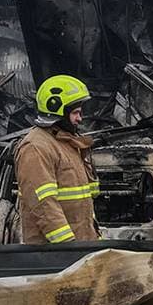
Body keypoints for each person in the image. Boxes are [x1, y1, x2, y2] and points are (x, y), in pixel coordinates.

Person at [15, 74, 99, 245]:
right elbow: (43, 204)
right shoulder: (36, 147)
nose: (80, 119)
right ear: (56, 109)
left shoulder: (67, 144)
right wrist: (66, 245)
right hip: (54, 252)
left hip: (80, 246)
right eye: (75, 113)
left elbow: (82, 202)